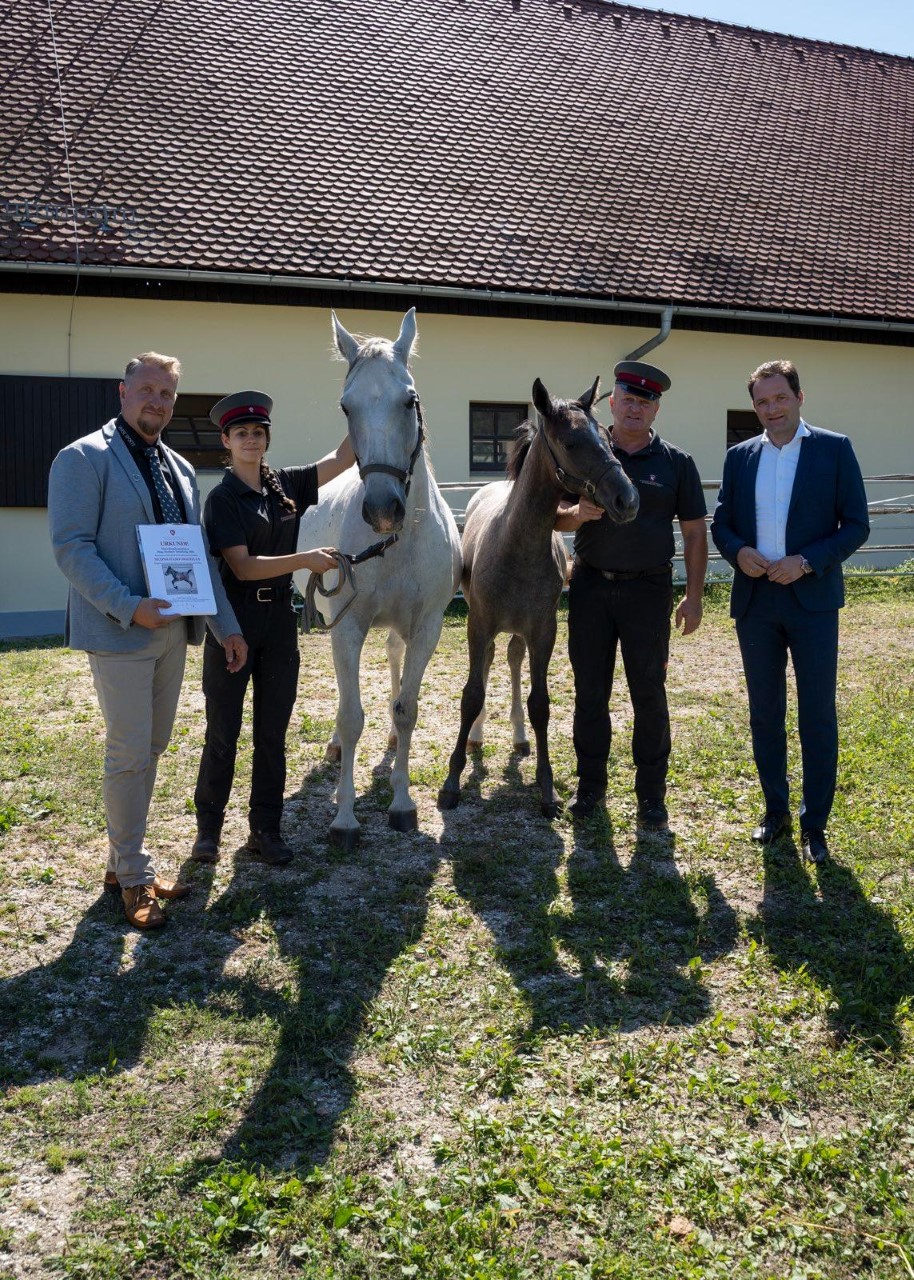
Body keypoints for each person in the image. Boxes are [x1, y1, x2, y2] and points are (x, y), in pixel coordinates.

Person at [48, 353, 248, 931]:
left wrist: (225, 627)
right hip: (118, 631)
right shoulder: (83, 459)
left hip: (172, 635)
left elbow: (197, 558)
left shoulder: (181, 469)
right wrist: (129, 605)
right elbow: (72, 548)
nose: (157, 401)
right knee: (130, 750)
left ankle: (120, 860)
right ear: (123, 391)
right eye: (147, 390)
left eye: (168, 393)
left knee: (153, 746)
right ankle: (133, 874)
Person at [710, 359, 869, 863]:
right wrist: (738, 552)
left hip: (812, 599)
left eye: (779, 398)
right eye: (761, 402)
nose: (771, 409)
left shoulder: (834, 449)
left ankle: (815, 824)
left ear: (800, 397)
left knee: (817, 713)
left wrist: (807, 561)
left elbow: (856, 525)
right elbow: (722, 522)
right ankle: (775, 810)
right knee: (765, 712)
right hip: (757, 601)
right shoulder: (741, 457)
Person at [190, 391, 355, 866]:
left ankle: (266, 829)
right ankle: (209, 830)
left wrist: (365, 400)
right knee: (223, 730)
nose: (250, 440)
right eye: (241, 433)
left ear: (266, 439)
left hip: (280, 622)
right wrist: (304, 559)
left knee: (272, 733)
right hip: (235, 624)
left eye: (257, 433)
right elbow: (241, 567)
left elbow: (343, 458)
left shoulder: (285, 485)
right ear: (226, 440)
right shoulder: (221, 500)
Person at [556, 359, 708, 830]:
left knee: (649, 692)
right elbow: (554, 517)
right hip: (591, 587)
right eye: (628, 398)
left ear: (656, 408)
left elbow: (696, 535)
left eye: (646, 401)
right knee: (590, 692)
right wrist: (576, 514)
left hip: (648, 590)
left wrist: (695, 595)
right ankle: (590, 788)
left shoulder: (676, 464)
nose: (636, 408)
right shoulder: (584, 451)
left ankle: (651, 797)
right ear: (612, 402)